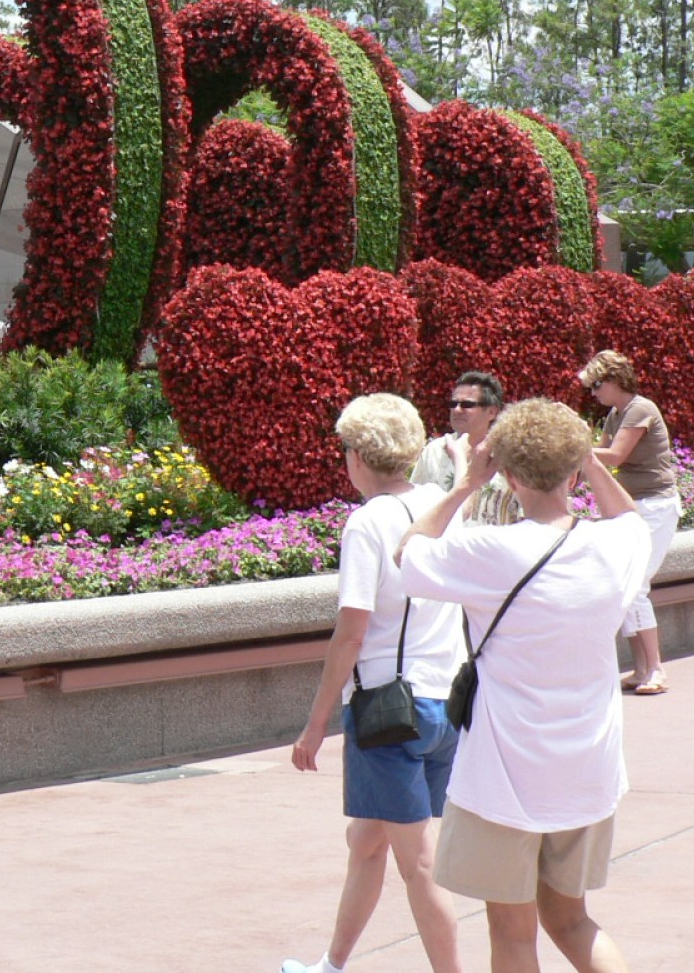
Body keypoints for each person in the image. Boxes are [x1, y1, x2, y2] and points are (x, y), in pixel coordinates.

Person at [396, 398, 651, 973]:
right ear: (573, 470)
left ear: (508, 476)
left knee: (512, 933)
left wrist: (466, 483)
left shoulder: (489, 550)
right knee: (572, 920)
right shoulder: (615, 547)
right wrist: (589, 460)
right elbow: (630, 517)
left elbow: (407, 551)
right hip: (587, 768)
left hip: (504, 774)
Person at [282, 394, 465, 973]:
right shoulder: (440, 504)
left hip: (389, 713)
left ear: (358, 456)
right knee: (366, 840)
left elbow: (351, 633)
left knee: (420, 865)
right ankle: (332, 964)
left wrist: (316, 725)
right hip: (444, 705)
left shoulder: (367, 523)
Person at [581, 351, 681, 696]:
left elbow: (615, 456)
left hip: (656, 506)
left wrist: (572, 447)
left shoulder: (640, 409)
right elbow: (598, 461)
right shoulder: (615, 414)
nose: (594, 392)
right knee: (624, 585)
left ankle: (656, 669)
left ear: (614, 379)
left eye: (597, 384)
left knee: (635, 586)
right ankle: (641, 669)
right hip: (632, 505)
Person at [413, 372, 519, 525]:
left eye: (467, 405)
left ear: (492, 411)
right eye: (453, 404)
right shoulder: (434, 451)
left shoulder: (509, 456)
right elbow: (416, 505)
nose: (457, 410)